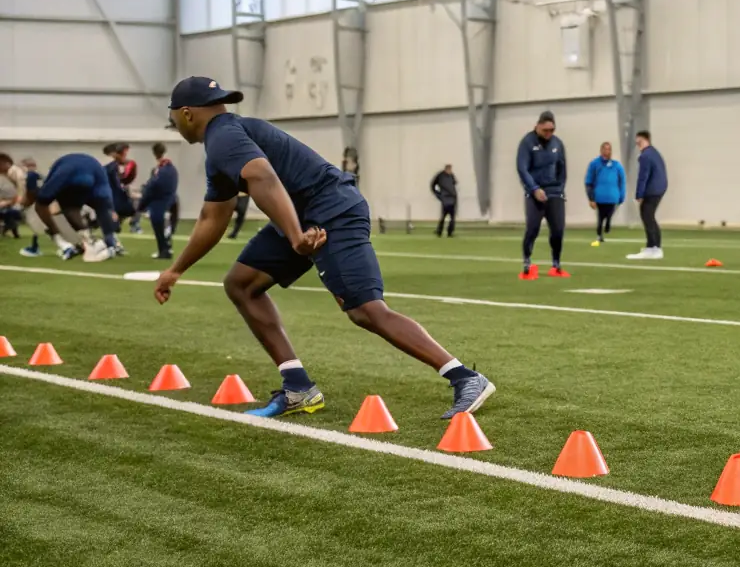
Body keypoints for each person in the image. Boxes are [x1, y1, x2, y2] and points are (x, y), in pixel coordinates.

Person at [155, 76, 493, 419]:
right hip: (304, 216)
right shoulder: (224, 141)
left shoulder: (223, 136)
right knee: (241, 284)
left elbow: (262, 176)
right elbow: (213, 218)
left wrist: (295, 236)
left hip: (333, 210)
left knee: (366, 310)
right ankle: (298, 387)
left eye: (173, 117)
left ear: (186, 113)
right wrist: (176, 270)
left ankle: (465, 377)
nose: (174, 124)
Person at [21, 152, 125, 261]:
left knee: (58, 206)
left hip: (71, 172)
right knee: (103, 206)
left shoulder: (52, 172)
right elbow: (105, 206)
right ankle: (111, 243)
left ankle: (71, 243)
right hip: (96, 171)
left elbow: (40, 200)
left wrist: (55, 232)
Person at [516, 110, 569, 279]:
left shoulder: (557, 144)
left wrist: (560, 189)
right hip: (535, 193)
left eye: (551, 130)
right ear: (537, 126)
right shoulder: (527, 143)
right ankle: (527, 263)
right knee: (533, 229)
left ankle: (556, 264)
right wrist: (534, 189)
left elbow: (562, 169)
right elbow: (522, 168)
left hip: (554, 193)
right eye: (545, 130)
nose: (548, 133)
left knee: (558, 230)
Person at [627, 131, 668, 261]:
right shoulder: (654, 152)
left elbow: (643, 176)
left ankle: (654, 248)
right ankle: (652, 247)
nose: (637, 143)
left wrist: (639, 194)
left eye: (639, 141)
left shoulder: (645, 155)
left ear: (645, 140)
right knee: (649, 217)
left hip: (653, 189)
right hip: (659, 188)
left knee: (648, 217)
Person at [140, 142, 179, 260]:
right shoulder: (172, 169)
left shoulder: (160, 170)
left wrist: (142, 204)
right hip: (172, 200)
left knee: (160, 228)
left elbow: (153, 187)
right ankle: (167, 249)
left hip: (160, 203)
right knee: (167, 227)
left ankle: (164, 250)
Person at [585, 142, 626, 246]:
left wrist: (622, 195)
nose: (607, 151)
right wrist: (591, 198)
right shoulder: (594, 164)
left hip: (613, 196)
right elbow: (589, 181)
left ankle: (608, 223)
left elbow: (622, 180)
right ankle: (599, 235)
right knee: (600, 216)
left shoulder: (616, 165)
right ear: (601, 150)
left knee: (609, 214)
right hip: (599, 196)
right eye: (605, 149)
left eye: (609, 149)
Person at [0, 153, 23, 239]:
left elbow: (20, 191)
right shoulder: (7, 174)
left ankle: (8, 229)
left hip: (15, 202)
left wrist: (10, 202)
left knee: (10, 213)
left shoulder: (14, 172)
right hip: (10, 202)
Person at [431, 165, 458, 237]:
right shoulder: (440, 176)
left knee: (452, 218)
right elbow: (433, 185)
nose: (450, 171)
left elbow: (454, 183)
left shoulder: (451, 176)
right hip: (445, 199)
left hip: (452, 199)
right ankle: (439, 231)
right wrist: (438, 194)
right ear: (446, 169)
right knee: (443, 216)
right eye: (449, 169)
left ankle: (450, 232)